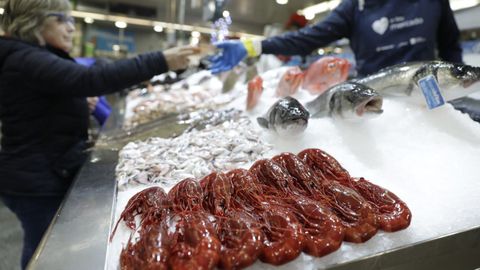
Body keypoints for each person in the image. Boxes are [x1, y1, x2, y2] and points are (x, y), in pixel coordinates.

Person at [0, 0, 199, 269]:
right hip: (37, 181)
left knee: (41, 245)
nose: (71, 27)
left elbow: (40, 103)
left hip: (40, 170)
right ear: (34, 20)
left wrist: (77, 103)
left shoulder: (28, 56)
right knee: (44, 252)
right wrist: (161, 59)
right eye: (62, 19)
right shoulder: (26, 59)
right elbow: (90, 80)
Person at [210, 0, 462, 77]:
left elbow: (451, 44)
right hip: (373, 99)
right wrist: (255, 45)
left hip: (425, 92)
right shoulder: (356, 6)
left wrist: (456, 81)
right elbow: (309, 38)